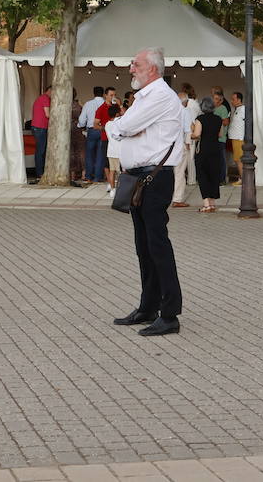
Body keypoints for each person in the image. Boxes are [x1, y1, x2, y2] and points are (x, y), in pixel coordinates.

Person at [107, 48, 185, 337]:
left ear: (152, 68)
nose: (131, 69)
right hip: (140, 178)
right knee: (144, 246)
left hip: (154, 177)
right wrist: (122, 128)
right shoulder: (145, 97)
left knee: (157, 246)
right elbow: (125, 129)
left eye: (136, 64)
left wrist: (119, 127)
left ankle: (170, 313)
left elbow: (123, 127)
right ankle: (148, 306)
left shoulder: (160, 96)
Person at [192, 96, 226, 213]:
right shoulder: (218, 119)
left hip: (203, 149)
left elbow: (196, 134)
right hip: (216, 149)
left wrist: (191, 133)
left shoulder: (200, 119)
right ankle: (212, 203)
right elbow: (220, 134)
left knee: (203, 175)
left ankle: (206, 204)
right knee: (213, 175)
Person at [171, 85, 200, 208]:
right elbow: (187, 130)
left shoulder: (171, 111)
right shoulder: (185, 111)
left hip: (170, 146)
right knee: (180, 172)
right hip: (181, 145)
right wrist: (188, 144)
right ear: (186, 101)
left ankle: (171, 195)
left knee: (172, 172)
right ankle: (177, 198)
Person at [78, 86, 106, 186]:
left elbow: (81, 120)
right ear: (103, 94)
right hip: (103, 130)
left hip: (92, 130)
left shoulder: (88, 104)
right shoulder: (105, 104)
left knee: (89, 154)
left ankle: (89, 176)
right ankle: (98, 177)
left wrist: (81, 126)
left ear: (93, 93)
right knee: (100, 155)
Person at [93, 88, 122, 183]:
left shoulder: (116, 107)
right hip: (106, 138)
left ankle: (114, 181)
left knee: (118, 161)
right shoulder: (101, 109)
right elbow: (95, 125)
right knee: (107, 162)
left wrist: (120, 104)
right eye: (111, 95)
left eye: (114, 95)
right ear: (105, 95)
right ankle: (110, 183)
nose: (113, 97)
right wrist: (105, 128)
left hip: (118, 138)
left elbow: (125, 116)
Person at [31, 86, 52, 179]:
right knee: (41, 151)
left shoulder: (41, 98)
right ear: (50, 91)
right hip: (40, 127)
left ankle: (40, 172)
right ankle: (40, 173)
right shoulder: (45, 98)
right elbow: (48, 114)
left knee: (40, 150)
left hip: (38, 127)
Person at [228, 91, 246, 180]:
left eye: (233, 99)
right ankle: (241, 177)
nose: (231, 101)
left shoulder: (243, 110)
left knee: (239, 159)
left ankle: (243, 178)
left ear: (239, 100)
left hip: (239, 137)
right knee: (237, 159)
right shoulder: (236, 110)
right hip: (235, 137)